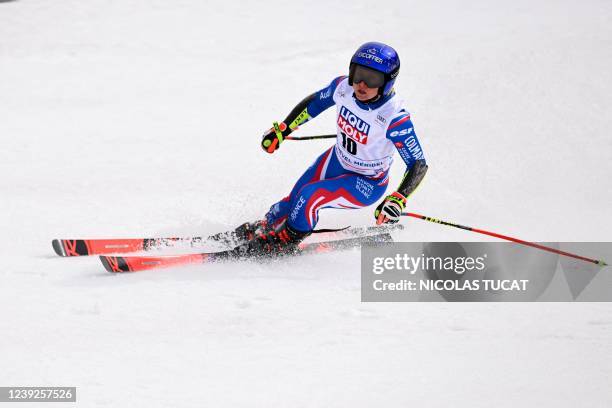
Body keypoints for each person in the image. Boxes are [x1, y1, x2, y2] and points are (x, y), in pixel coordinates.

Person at [237, 41, 428, 256]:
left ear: (387, 82)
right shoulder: (343, 88)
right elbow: (315, 103)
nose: (362, 84)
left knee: (310, 196)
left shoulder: (394, 116)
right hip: (336, 160)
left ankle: (285, 241)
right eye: (358, 74)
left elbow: (418, 163)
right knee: (292, 202)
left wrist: (398, 198)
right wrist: (284, 128)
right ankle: (267, 226)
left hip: (366, 181)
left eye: (372, 79)